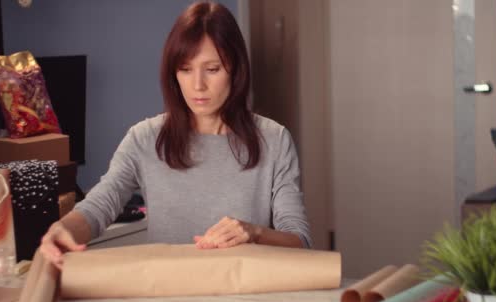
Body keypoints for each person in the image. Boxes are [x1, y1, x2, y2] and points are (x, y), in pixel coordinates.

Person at [39, 1, 311, 269]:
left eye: (212, 69)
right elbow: (98, 207)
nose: (197, 85)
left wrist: (255, 232)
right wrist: (61, 229)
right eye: (185, 69)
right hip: (169, 297)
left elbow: (300, 241)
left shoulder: (274, 140)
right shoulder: (144, 138)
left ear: (236, 69)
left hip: (247, 298)